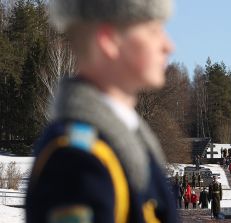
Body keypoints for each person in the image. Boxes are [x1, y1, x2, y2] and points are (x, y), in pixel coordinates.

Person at [25, 0, 176, 222]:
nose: (168, 46)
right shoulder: (76, 160)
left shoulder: (127, 141)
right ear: (109, 40)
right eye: (154, 31)